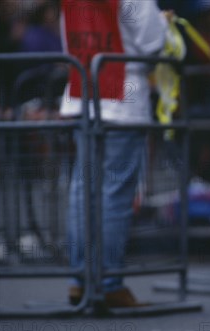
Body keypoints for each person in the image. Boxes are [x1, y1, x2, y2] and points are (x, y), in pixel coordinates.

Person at [60, 0, 170, 308]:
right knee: (114, 195)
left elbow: (66, 38)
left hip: (83, 92)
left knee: (83, 189)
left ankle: (80, 279)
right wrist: (163, 22)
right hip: (122, 98)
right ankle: (108, 282)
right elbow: (153, 41)